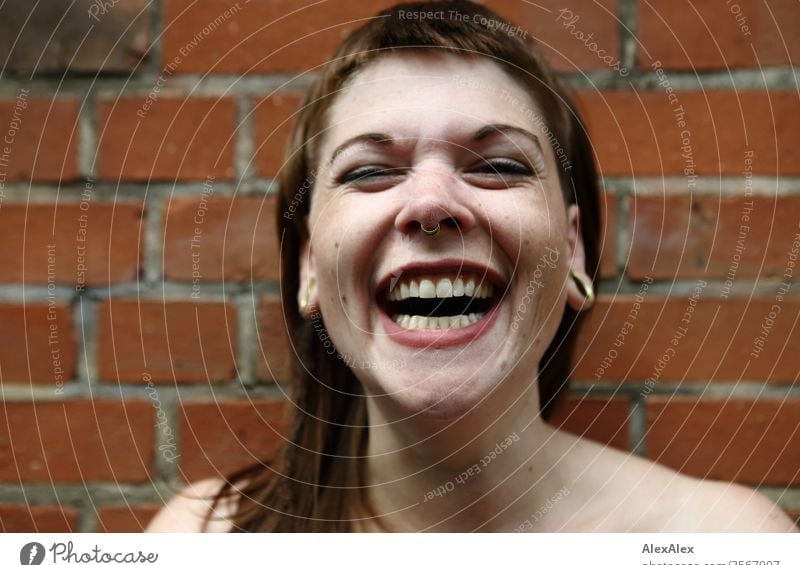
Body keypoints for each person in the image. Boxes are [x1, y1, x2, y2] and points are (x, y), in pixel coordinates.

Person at [147, 0, 797, 533]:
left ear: (572, 251)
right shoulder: (202, 546)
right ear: (310, 268)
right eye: (371, 171)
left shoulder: (724, 546)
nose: (430, 204)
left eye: (500, 166)